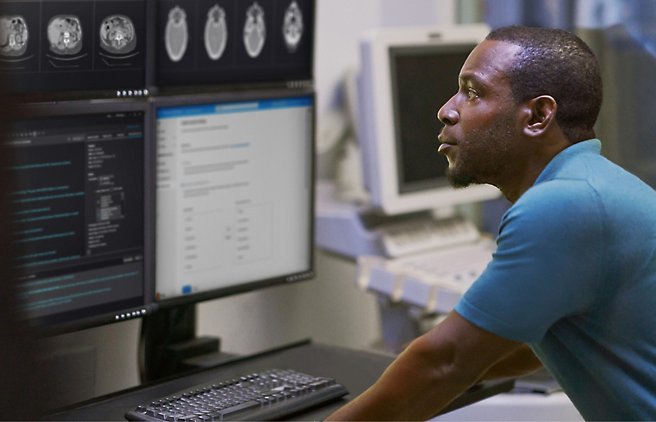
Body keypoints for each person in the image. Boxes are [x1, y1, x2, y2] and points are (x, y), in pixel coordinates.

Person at [327, 25, 656, 421]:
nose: (447, 109)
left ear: (537, 115)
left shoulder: (562, 205)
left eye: (473, 92)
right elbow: (520, 344)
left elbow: (444, 362)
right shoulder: (594, 184)